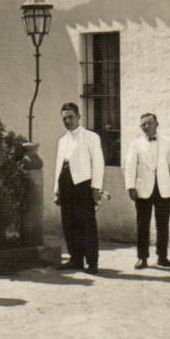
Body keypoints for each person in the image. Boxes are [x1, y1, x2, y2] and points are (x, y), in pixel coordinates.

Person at [52, 101, 107, 274]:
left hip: (83, 184)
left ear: (78, 117)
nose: (67, 121)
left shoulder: (91, 137)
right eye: (64, 118)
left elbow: (98, 163)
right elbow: (59, 165)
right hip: (65, 183)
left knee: (87, 224)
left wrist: (96, 187)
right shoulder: (62, 140)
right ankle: (75, 259)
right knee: (69, 223)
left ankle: (92, 263)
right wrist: (57, 189)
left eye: (70, 117)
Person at [123, 112, 170, 269]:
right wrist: (130, 186)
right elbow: (130, 166)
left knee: (163, 224)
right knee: (143, 224)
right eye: (143, 124)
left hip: (163, 188)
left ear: (157, 124)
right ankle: (142, 257)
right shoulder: (136, 144)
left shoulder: (168, 143)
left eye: (149, 123)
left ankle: (162, 257)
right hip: (143, 189)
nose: (146, 127)